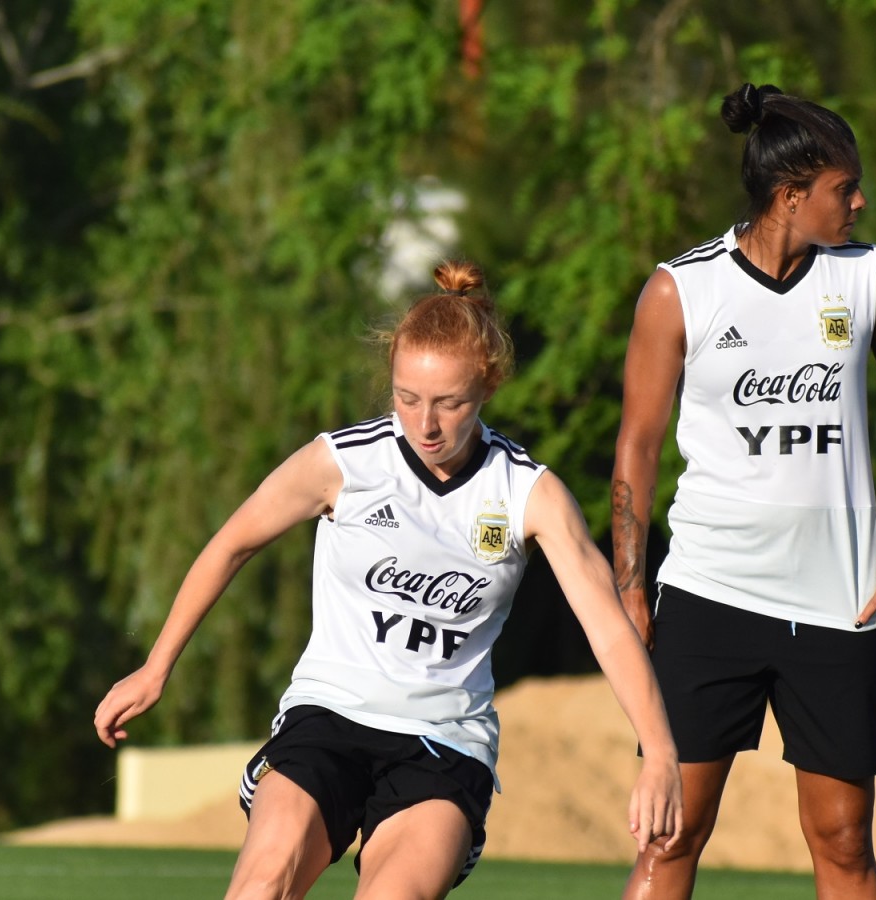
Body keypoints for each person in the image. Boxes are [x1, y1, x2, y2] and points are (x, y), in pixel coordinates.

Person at [94, 260, 683, 900]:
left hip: (443, 743)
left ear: (486, 385)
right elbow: (232, 543)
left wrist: (658, 753)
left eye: (448, 403)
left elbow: (608, 628)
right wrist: (155, 666)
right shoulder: (344, 463)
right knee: (262, 882)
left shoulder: (525, 493)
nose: (424, 424)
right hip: (328, 717)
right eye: (407, 398)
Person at [611, 83, 876, 900]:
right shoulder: (680, 290)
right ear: (789, 195)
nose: (860, 202)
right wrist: (628, 586)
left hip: (840, 602)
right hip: (710, 593)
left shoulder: (869, 277)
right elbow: (638, 446)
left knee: (842, 839)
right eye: (845, 188)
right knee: (674, 833)